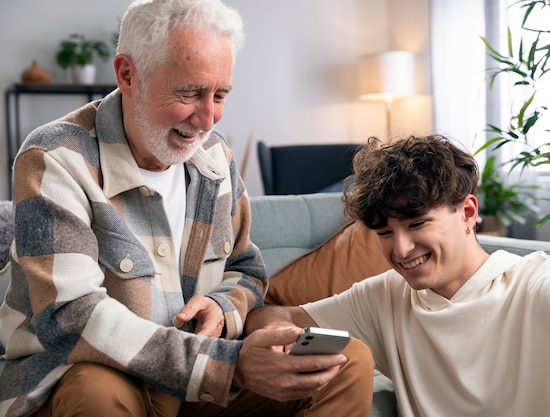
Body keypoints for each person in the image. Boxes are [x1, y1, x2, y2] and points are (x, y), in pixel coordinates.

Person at [0, 0, 374, 416]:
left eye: (220, 95)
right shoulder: (54, 157)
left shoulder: (216, 157)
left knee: (347, 362)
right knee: (96, 389)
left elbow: (246, 270)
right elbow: (71, 317)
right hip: (102, 376)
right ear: (127, 74)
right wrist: (227, 366)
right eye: (190, 92)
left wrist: (222, 307)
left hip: (198, 386)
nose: (208, 118)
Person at [246, 134, 550, 417]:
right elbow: (277, 314)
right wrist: (277, 338)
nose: (401, 249)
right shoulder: (383, 298)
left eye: (417, 224)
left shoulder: (547, 286)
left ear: (467, 212)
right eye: (385, 233)